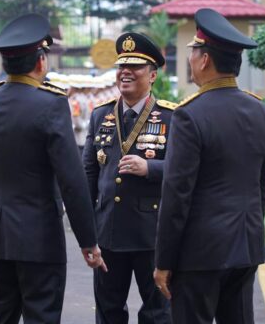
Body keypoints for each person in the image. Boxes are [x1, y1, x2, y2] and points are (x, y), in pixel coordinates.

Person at [0, 13, 106, 324]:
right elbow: (71, 180)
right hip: (38, 236)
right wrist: (88, 240)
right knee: (42, 316)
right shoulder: (51, 104)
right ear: (41, 62)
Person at [154, 8, 265, 324]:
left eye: (193, 51)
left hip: (200, 253)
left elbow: (176, 193)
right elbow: (263, 186)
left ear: (205, 60)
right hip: (246, 245)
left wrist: (164, 260)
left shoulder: (189, 115)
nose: (190, 59)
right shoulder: (261, 110)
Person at [82, 32, 174, 324]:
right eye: (122, 65)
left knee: (158, 312)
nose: (125, 72)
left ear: (153, 75)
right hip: (109, 231)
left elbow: (186, 172)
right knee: (108, 311)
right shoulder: (101, 116)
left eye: (135, 66)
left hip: (153, 235)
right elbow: (88, 174)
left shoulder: (171, 117)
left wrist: (152, 169)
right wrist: (87, 232)